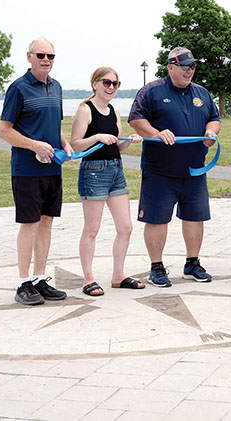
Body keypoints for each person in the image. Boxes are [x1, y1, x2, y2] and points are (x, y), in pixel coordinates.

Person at [128, 47, 220, 287]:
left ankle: (192, 263)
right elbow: (136, 119)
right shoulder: (152, 91)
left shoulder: (202, 93)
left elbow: (214, 117)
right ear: (170, 67)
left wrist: (211, 132)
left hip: (194, 170)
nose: (190, 71)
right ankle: (156, 267)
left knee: (195, 217)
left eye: (193, 66)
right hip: (160, 171)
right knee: (157, 219)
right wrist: (156, 133)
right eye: (185, 66)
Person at [0, 37, 73, 305]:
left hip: (53, 168)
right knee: (29, 224)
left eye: (51, 56)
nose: (46, 60)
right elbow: (4, 130)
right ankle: (23, 283)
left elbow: (53, 124)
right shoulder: (18, 89)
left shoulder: (56, 88)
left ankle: (40, 280)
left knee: (47, 222)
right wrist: (34, 146)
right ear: (29, 57)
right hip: (27, 169)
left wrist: (64, 142)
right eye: (40, 55)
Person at [70, 67, 143, 296]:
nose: (111, 87)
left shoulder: (114, 111)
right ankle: (88, 278)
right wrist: (96, 137)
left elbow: (118, 145)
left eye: (115, 83)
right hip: (93, 171)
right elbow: (75, 145)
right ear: (95, 84)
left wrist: (130, 140)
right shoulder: (85, 109)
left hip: (115, 170)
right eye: (106, 82)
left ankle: (118, 276)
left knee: (126, 227)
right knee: (92, 229)